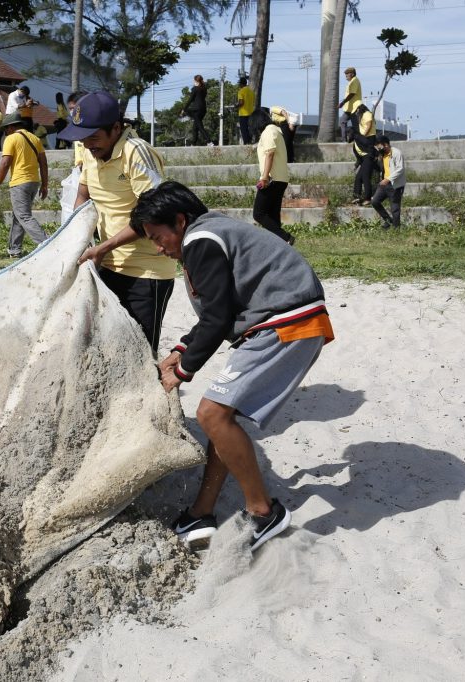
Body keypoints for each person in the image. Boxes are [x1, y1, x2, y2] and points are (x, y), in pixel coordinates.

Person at [129, 180, 334, 552]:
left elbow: (218, 317)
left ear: (179, 220)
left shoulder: (198, 241)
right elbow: (217, 309)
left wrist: (182, 371)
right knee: (220, 419)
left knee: (210, 414)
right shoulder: (210, 231)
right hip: (282, 322)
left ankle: (263, 512)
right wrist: (182, 349)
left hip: (288, 323)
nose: (159, 248)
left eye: (159, 237)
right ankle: (202, 511)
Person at [59, 90, 174, 354]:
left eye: (94, 137)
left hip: (146, 272)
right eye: (83, 139)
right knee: (107, 346)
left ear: (115, 128)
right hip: (108, 265)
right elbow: (82, 194)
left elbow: (154, 212)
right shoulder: (90, 151)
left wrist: (103, 247)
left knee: (140, 352)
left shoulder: (136, 153)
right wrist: (82, 239)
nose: (88, 144)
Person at [0, 112, 49, 258]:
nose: (5, 131)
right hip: (34, 182)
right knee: (19, 216)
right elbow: (43, 163)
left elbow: (5, 163)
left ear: (11, 127)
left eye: (5, 128)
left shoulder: (11, 139)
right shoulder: (35, 138)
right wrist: (45, 185)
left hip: (20, 182)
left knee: (23, 216)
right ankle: (14, 249)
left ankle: (47, 243)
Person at [254, 107, 295, 244]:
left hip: (272, 179)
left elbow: (269, 154)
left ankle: (286, 238)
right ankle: (280, 245)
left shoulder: (268, 132)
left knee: (259, 214)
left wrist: (264, 177)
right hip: (281, 178)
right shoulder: (277, 131)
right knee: (273, 214)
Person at [371, 135, 406, 229]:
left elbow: (400, 169)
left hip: (395, 185)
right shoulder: (382, 155)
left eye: (379, 146)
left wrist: (388, 179)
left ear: (385, 144)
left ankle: (396, 229)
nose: (378, 149)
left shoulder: (396, 153)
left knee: (395, 208)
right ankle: (388, 221)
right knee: (375, 202)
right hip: (384, 184)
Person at [351, 104, 377, 205]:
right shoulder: (355, 143)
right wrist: (357, 164)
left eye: (357, 110)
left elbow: (369, 123)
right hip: (365, 155)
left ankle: (368, 198)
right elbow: (358, 155)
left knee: (365, 176)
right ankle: (357, 196)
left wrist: (364, 135)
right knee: (359, 177)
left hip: (369, 150)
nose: (357, 113)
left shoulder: (367, 113)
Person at [182, 75, 209, 146]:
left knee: (200, 126)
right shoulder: (204, 89)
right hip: (203, 109)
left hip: (196, 110)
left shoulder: (195, 89)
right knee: (195, 127)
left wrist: (184, 109)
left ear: (196, 81)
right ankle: (193, 143)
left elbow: (190, 100)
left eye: (194, 80)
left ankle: (209, 141)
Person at [339, 67, 362, 142]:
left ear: (352, 74)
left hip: (354, 107)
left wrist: (343, 102)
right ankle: (344, 140)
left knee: (355, 125)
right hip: (349, 108)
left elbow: (352, 93)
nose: (346, 76)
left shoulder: (355, 80)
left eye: (347, 75)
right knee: (342, 121)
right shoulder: (351, 82)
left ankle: (356, 140)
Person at [236, 76, 256, 145]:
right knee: (250, 129)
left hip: (243, 114)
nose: (239, 85)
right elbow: (253, 103)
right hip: (251, 113)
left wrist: (236, 105)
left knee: (244, 129)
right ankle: (250, 142)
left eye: (239, 83)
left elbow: (241, 103)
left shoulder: (241, 91)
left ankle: (246, 143)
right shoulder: (251, 92)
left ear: (241, 84)